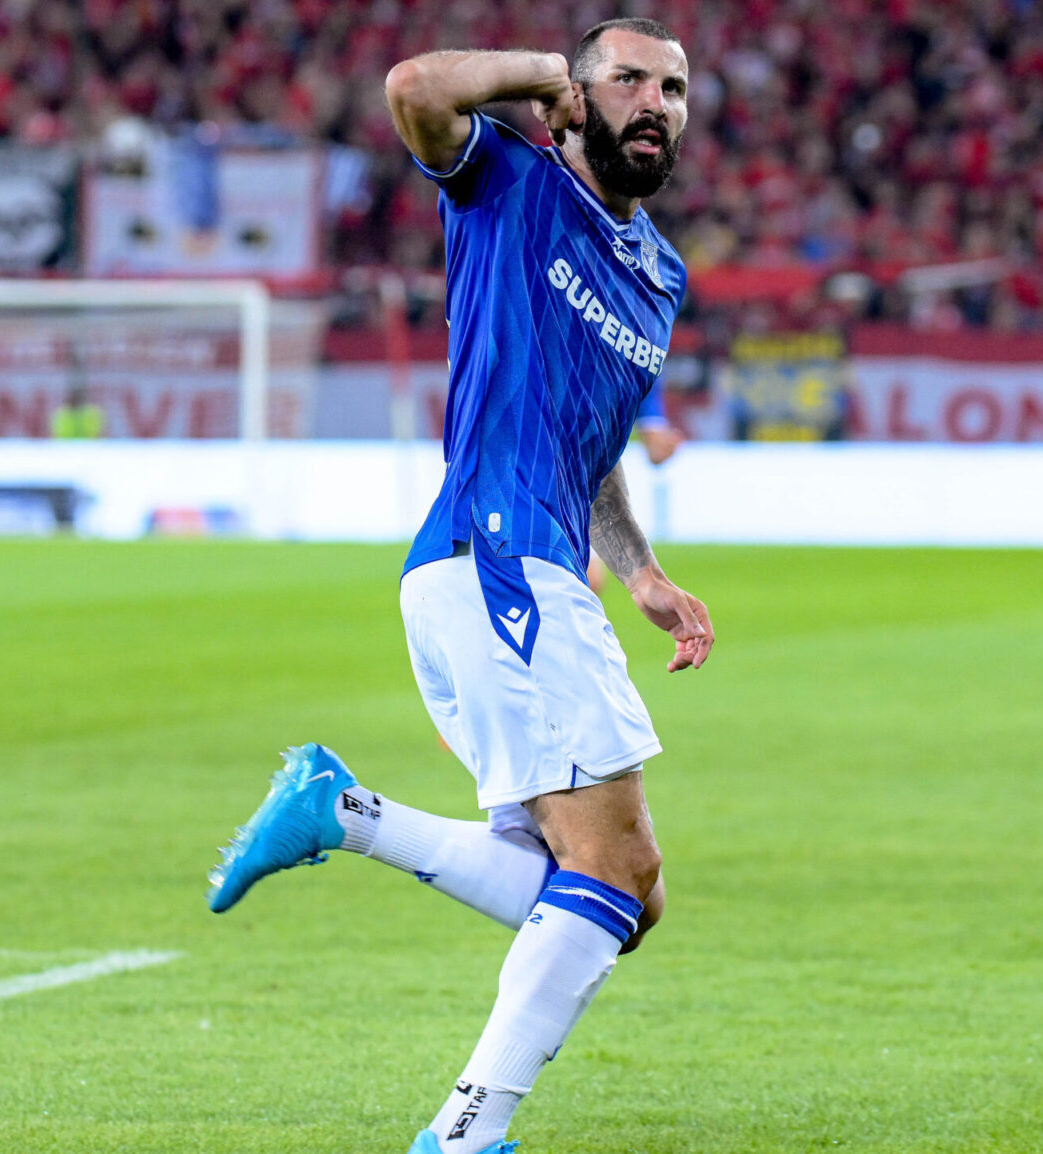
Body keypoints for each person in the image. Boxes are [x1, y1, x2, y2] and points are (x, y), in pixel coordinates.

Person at [206, 20, 713, 1154]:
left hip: (526, 570)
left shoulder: (658, 272)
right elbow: (412, 88)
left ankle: (339, 810)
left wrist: (638, 569)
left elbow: (593, 443)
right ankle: (464, 1131)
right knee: (614, 872)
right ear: (574, 99)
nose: (654, 101)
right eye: (627, 78)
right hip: (492, 559)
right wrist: (538, 79)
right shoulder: (509, 184)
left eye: (673, 88)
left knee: (622, 896)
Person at [588, 391, 684, 589]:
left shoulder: (646, 365)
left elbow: (656, 451)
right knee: (588, 578)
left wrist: (667, 445)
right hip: (546, 474)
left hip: (586, 480)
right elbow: (656, 451)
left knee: (590, 580)